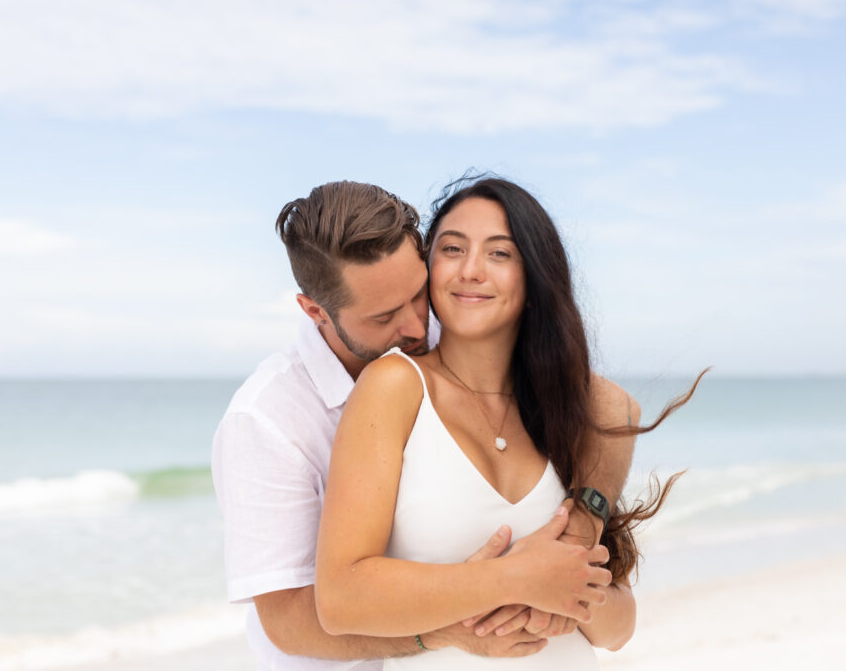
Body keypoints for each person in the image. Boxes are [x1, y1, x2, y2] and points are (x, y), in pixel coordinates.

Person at [211, 181, 639, 671]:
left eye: (417, 294)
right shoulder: (268, 420)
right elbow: (294, 619)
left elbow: (614, 407)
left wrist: (580, 532)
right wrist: (478, 608)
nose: (418, 326)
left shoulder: (460, 333)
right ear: (315, 312)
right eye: (385, 315)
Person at [313, 177, 703, 669]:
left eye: (499, 254)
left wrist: (568, 596)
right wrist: (516, 579)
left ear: (535, 281)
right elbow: (340, 598)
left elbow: (617, 630)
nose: (471, 270)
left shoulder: (569, 412)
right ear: (429, 268)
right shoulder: (395, 386)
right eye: (452, 248)